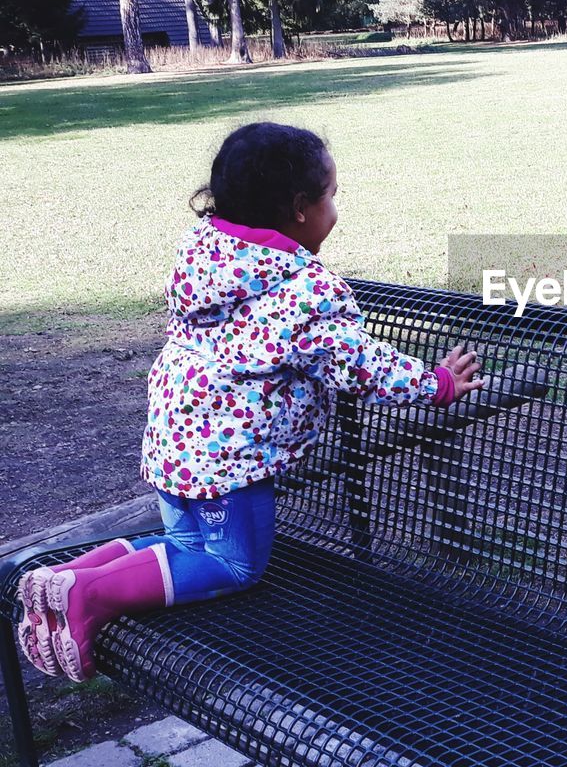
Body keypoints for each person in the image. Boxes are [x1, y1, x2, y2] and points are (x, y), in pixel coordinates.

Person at [17, 121, 482, 682]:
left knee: (183, 543)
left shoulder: (205, 254)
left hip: (173, 439)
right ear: (302, 208)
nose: (337, 207)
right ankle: (89, 593)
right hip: (229, 460)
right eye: (332, 195)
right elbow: (358, 363)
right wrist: (436, 384)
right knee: (231, 564)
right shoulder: (304, 290)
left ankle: (65, 580)